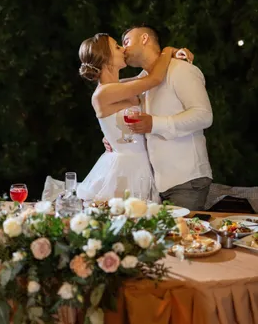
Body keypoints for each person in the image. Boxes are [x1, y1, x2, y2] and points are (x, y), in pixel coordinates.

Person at [104, 25, 213, 210]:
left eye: (127, 41)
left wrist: (154, 123)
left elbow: (203, 115)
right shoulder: (143, 81)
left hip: (186, 181)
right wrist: (112, 137)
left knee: (182, 238)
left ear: (144, 38)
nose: (123, 49)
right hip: (154, 185)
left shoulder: (181, 70)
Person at [77, 32, 191, 202]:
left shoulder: (122, 85)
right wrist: (167, 50)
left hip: (142, 163)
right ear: (106, 57)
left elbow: (147, 76)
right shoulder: (103, 93)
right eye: (117, 47)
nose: (123, 49)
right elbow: (154, 78)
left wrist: (174, 53)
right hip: (125, 169)